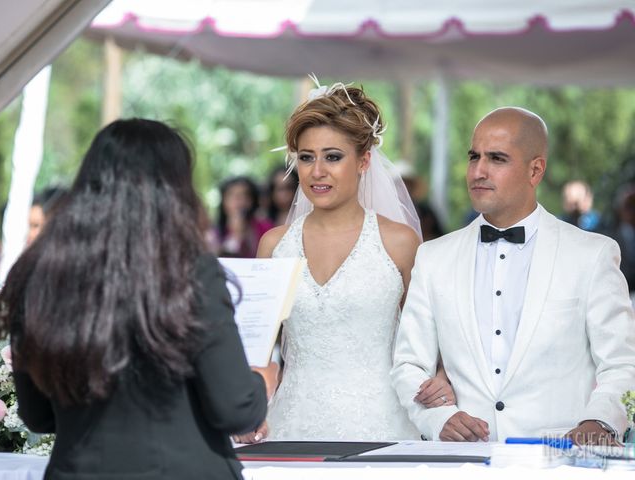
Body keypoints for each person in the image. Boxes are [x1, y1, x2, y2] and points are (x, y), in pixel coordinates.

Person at [0, 119, 271, 479]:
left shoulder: (40, 273)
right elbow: (236, 409)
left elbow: (38, 415)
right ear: (173, 189)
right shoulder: (189, 271)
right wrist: (264, 380)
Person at [391, 107, 635, 445]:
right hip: (462, 462)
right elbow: (408, 364)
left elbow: (624, 363)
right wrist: (438, 419)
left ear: (535, 170)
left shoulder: (591, 254)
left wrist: (601, 422)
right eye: (473, 157)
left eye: (497, 159)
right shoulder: (434, 257)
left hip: (562, 461)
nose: (478, 171)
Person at [237, 79, 455, 443]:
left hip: (384, 426)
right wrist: (245, 407)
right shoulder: (274, 245)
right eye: (306, 157)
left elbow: (432, 342)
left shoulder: (399, 243)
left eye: (333, 156)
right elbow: (254, 352)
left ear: (364, 160)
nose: (317, 171)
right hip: (290, 426)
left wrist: (443, 376)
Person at [214, 176, 273, 258]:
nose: (239, 201)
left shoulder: (265, 227)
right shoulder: (215, 233)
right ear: (223, 202)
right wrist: (236, 236)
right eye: (232, 195)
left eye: (245, 195)